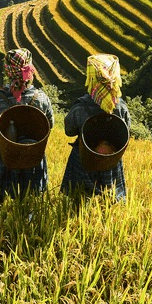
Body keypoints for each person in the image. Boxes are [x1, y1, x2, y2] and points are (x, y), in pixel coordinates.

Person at [0, 48, 55, 203]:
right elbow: (50, 125)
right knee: (29, 200)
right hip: (32, 154)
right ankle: (26, 221)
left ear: (8, 72)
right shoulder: (41, 99)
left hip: (3, 155)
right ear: (30, 70)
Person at [60, 53, 129, 202]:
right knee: (109, 200)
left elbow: (69, 131)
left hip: (84, 159)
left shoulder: (80, 108)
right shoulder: (121, 107)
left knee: (78, 200)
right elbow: (126, 131)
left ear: (91, 78)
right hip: (110, 161)